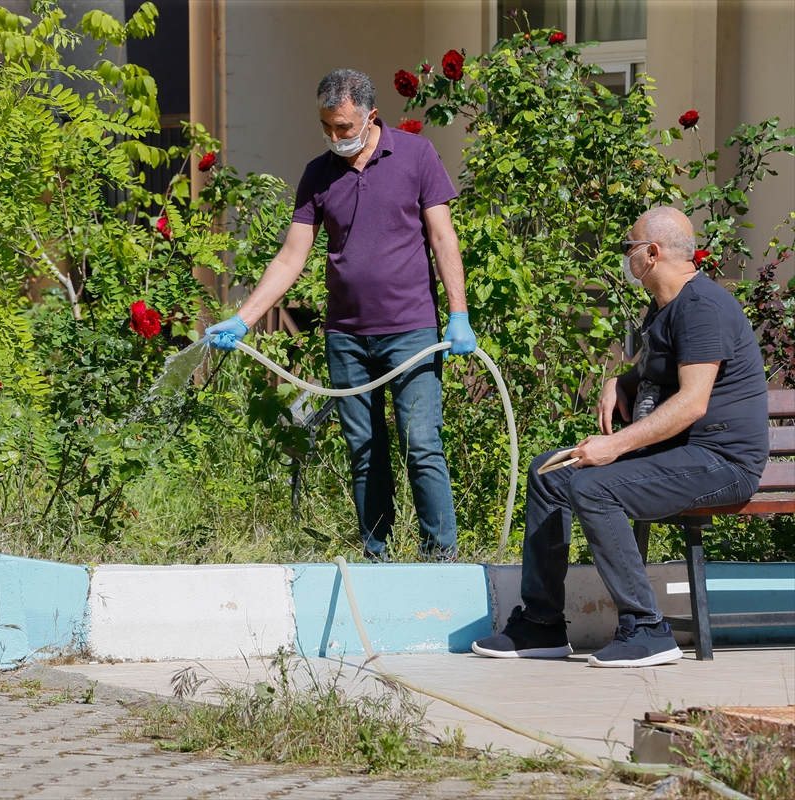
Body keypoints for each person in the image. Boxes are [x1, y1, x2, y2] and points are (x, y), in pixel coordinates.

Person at [472, 207, 769, 668]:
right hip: (681, 453)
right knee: (550, 474)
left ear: (651, 253)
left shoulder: (702, 307)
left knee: (593, 485)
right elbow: (663, 368)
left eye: (627, 247)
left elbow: (693, 402)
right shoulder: (664, 305)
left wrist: (615, 444)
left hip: (720, 462)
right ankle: (542, 623)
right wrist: (622, 381)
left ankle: (648, 629)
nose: (623, 256)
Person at [206, 69, 476, 561]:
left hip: (411, 332)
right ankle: (378, 558)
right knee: (365, 452)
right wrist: (243, 317)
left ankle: (442, 560)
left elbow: (442, 237)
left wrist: (458, 313)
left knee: (421, 445)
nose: (335, 137)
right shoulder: (318, 174)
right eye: (326, 127)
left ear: (371, 117)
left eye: (344, 128)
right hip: (347, 338)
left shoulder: (417, 156)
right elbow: (292, 255)